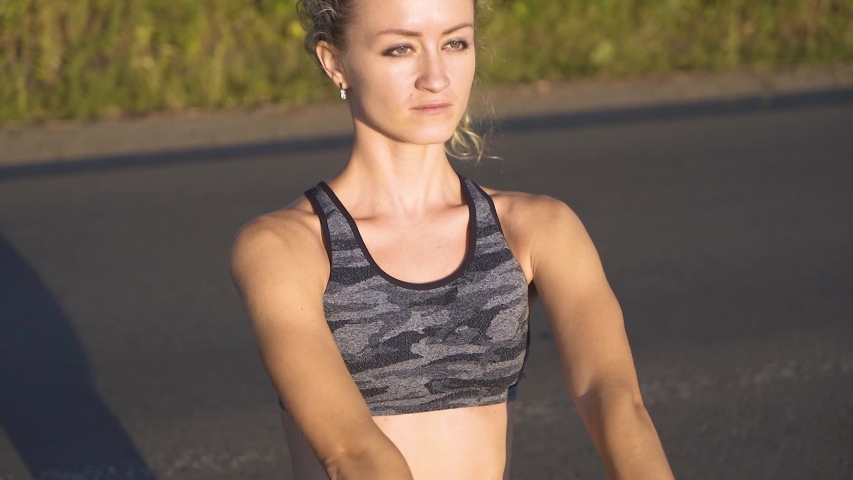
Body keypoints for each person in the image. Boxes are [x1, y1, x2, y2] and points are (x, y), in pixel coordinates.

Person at [230, 0, 675, 478]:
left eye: (455, 43)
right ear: (335, 63)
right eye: (400, 49)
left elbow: (614, 400)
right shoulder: (283, 246)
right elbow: (352, 452)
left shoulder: (537, 226)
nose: (436, 78)